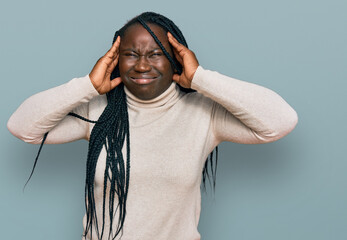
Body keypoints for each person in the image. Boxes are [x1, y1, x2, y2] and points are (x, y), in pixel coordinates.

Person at [7, 12, 298, 240]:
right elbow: (22, 126)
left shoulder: (204, 114)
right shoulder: (98, 112)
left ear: (175, 59)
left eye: (156, 53)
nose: (142, 65)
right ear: (115, 61)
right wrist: (88, 86)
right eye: (131, 54)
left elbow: (279, 121)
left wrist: (201, 78)